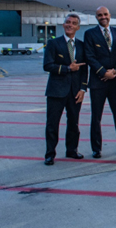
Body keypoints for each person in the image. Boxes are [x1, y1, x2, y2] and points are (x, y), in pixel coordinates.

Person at [84, 6, 116, 158]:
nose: (103, 17)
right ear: (96, 17)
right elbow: (89, 56)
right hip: (98, 82)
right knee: (96, 116)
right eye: (99, 15)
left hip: (115, 80)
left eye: (105, 14)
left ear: (110, 15)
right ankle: (96, 148)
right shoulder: (89, 34)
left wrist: (115, 71)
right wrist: (103, 72)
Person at [43, 13, 88, 165]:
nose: (70, 25)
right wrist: (67, 68)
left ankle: (72, 150)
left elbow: (84, 70)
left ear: (78, 27)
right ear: (63, 25)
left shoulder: (82, 45)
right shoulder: (53, 43)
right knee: (52, 124)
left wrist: (83, 89)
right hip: (56, 90)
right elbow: (47, 65)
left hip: (75, 91)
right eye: (67, 22)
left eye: (73, 23)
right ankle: (50, 154)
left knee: (74, 123)